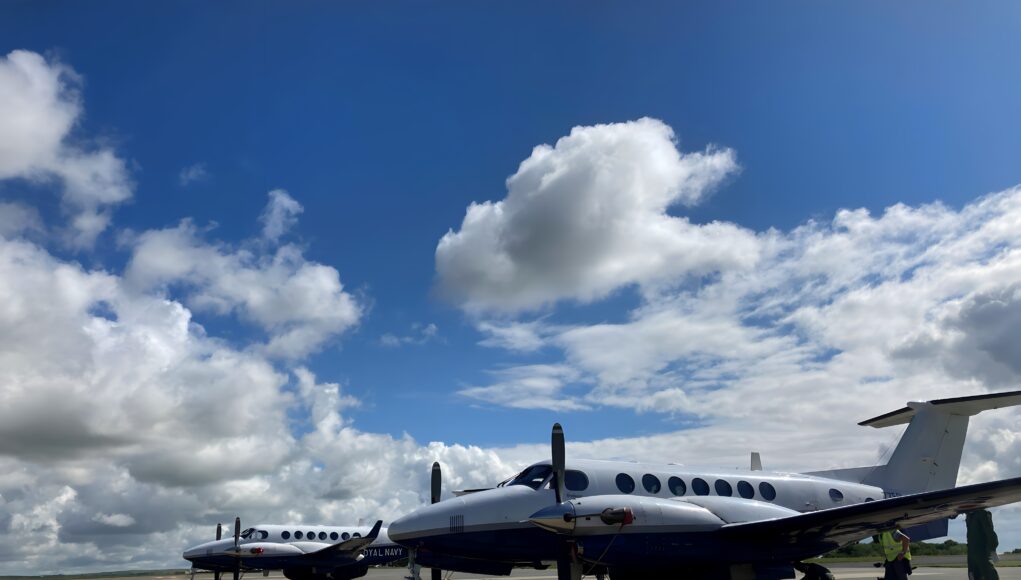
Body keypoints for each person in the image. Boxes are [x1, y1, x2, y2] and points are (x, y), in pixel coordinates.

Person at [967, 509, 999, 580]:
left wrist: (992, 550)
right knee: (973, 575)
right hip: (972, 558)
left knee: (989, 575)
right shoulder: (970, 516)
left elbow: (991, 534)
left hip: (983, 555)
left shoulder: (982, 514)